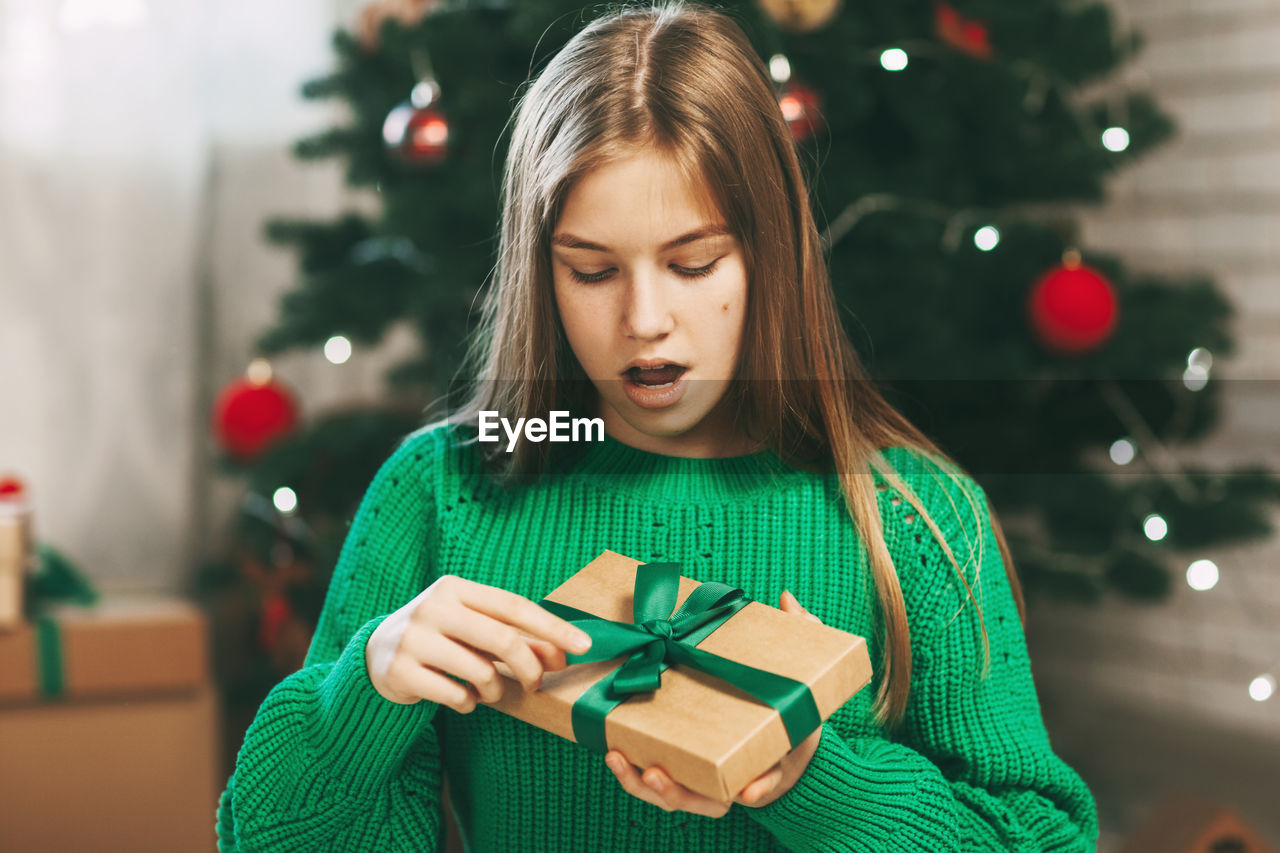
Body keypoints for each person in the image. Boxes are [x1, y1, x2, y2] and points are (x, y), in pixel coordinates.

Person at [215, 2, 1099, 850]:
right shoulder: (441, 491)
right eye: (593, 272)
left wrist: (817, 778)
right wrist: (360, 693)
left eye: (693, 262)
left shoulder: (914, 514)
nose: (645, 320)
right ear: (540, 272)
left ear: (769, 254)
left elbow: (1042, 841)